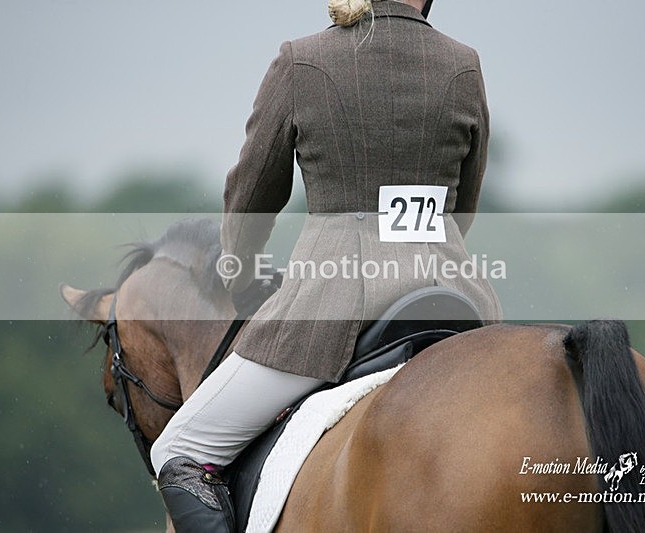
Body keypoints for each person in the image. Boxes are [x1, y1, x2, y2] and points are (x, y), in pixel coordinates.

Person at [150, 1, 501, 530]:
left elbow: (251, 197)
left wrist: (242, 276)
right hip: (455, 300)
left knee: (179, 448)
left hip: (330, 308)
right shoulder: (463, 64)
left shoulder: (303, 60)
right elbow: (464, 205)